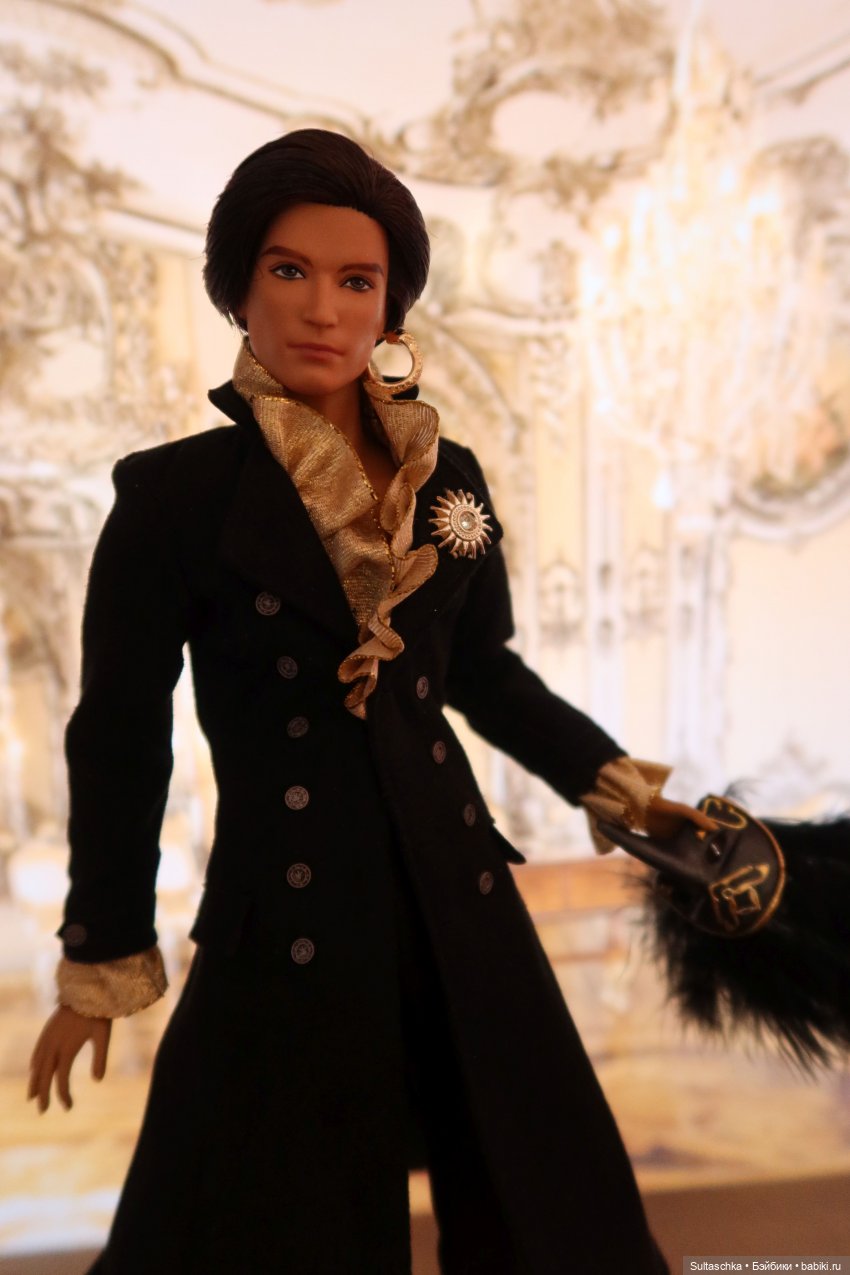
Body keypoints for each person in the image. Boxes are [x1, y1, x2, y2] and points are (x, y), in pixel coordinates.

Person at [28, 129, 712, 1274]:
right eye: (289, 270)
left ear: (391, 306)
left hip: (457, 890)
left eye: (357, 280)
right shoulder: (173, 499)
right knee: (265, 1225)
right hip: (284, 914)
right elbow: (120, 738)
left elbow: (483, 672)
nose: (322, 309)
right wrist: (103, 954)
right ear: (238, 287)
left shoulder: (448, 477)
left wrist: (611, 783)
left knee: (548, 1197)